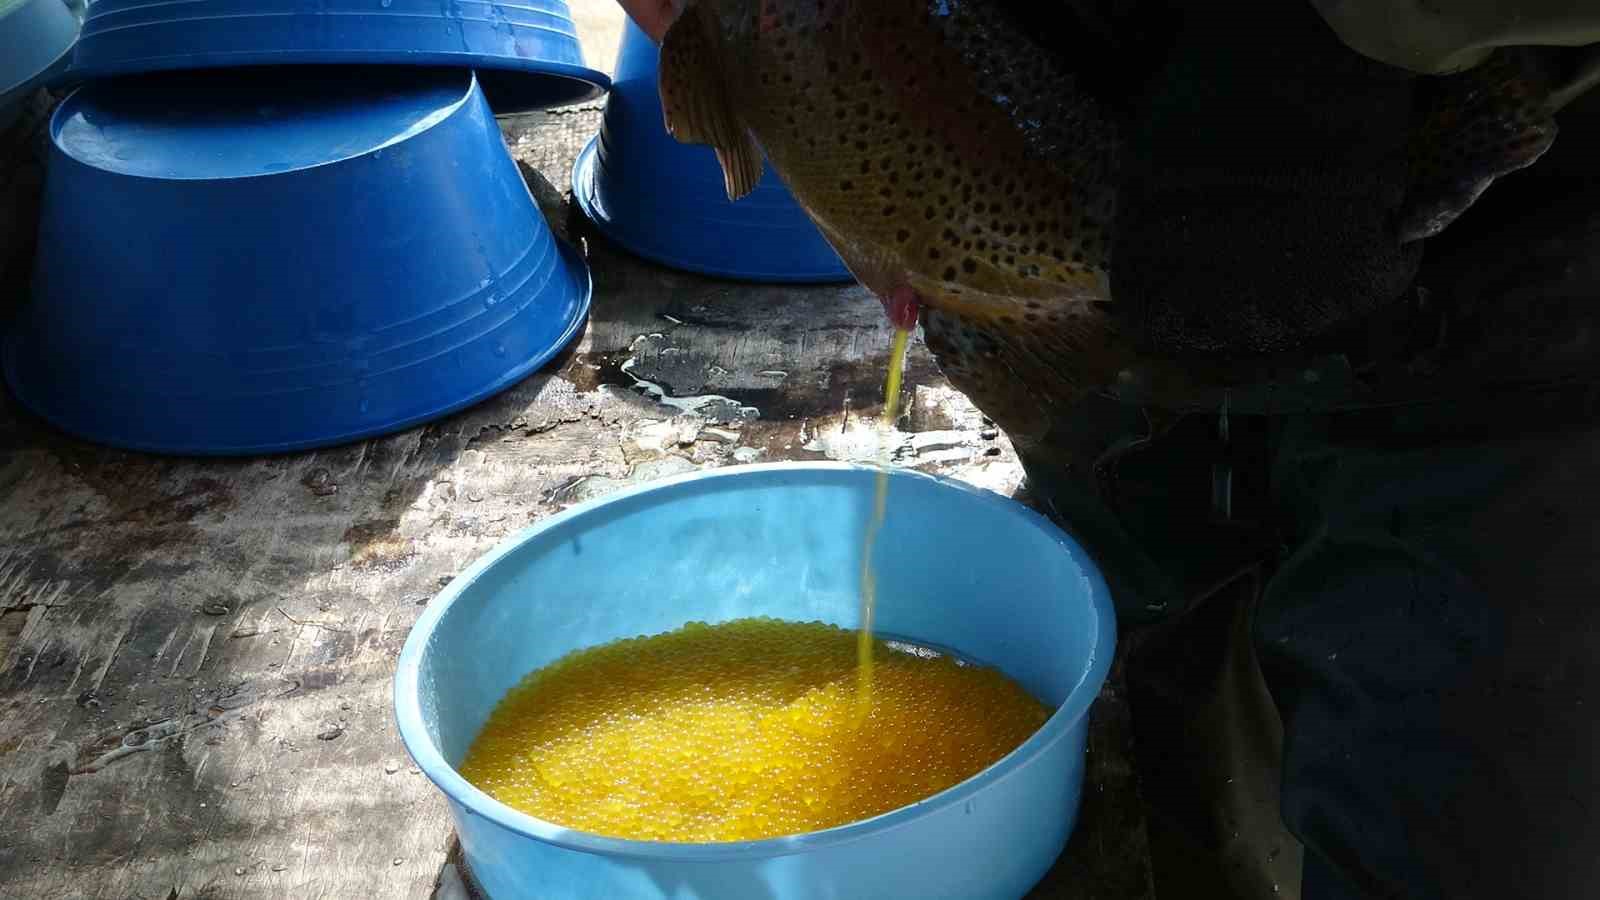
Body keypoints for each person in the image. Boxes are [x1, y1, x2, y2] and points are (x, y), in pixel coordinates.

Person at [612, 2, 1600, 898]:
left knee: (1458, 804)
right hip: (1084, 175)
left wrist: (1340, 38)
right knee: (1168, 719)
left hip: (1504, 241)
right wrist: (868, 193)